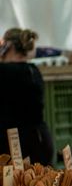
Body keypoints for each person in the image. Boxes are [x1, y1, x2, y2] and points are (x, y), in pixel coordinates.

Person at [0, 28, 53, 164]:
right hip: (40, 141)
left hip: (12, 148)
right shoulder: (34, 71)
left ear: (7, 46)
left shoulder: (4, 72)